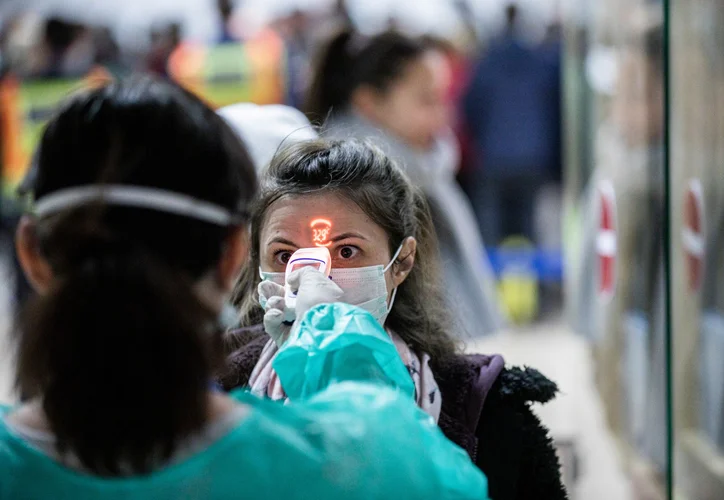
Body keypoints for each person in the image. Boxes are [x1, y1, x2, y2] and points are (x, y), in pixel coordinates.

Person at [0, 76, 488, 499]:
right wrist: (331, 330)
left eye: (347, 250)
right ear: (237, 254)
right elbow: (393, 449)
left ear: (33, 254)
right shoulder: (327, 463)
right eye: (285, 253)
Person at [221, 139, 569, 500]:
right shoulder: (216, 391)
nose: (313, 276)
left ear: (401, 262)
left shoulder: (489, 412)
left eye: (345, 251)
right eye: (284, 255)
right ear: (254, 262)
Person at [305, 29, 501, 337]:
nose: (444, 117)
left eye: (445, 98)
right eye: (427, 100)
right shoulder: (344, 189)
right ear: (368, 102)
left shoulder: (428, 173)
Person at [462, 3, 561, 248]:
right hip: (533, 156)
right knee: (529, 227)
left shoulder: (486, 62)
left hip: (493, 157)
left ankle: (489, 284)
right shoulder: (541, 62)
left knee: (489, 232)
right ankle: (534, 284)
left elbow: (470, 106)